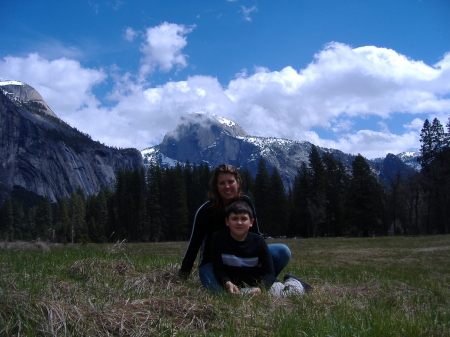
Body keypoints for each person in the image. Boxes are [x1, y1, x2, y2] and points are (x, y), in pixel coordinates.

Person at [179, 164, 291, 292]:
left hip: (244, 258)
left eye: (230, 182)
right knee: (221, 295)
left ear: (238, 183)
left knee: (282, 251)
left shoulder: (246, 202)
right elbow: (193, 246)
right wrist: (181, 278)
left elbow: (255, 234)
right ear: (216, 186)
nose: (227, 186)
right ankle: (247, 288)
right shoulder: (205, 210)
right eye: (222, 183)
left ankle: (261, 283)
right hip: (214, 263)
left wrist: (263, 260)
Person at [211, 201, 312, 296]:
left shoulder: (258, 241)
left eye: (243, 219)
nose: (239, 223)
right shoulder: (218, 239)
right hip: (234, 286)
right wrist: (227, 282)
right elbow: (218, 268)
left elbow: (269, 272)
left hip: (257, 285)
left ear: (251, 222)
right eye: (235, 219)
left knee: (289, 294)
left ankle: (294, 282)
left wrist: (261, 288)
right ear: (227, 222)